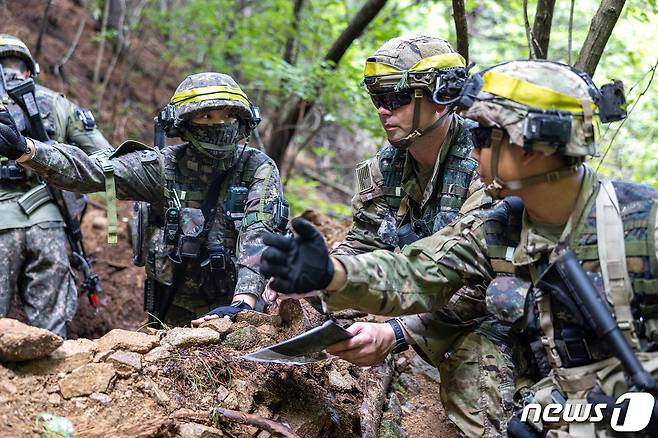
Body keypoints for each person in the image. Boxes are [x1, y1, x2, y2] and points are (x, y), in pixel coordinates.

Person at [260, 60, 649, 437]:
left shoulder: (643, 223)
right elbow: (418, 272)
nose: (472, 147)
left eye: (482, 137)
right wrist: (333, 273)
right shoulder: (501, 224)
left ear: (532, 149)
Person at [321, 34, 515, 436]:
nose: (381, 109)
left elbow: (486, 283)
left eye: (396, 98)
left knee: (477, 382)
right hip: (421, 297)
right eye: (377, 97)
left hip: (493, 317)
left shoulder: (488, 167)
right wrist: (313, 279)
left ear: (441, 97)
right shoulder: (387, 166)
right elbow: (365, 241)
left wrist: (397, 332)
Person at [0, 71, 287, 327]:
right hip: (175, 308)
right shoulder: (163, 168)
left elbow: (259, 232)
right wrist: (26, 149)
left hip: (244, 310)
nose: (219, 124)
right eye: (206, 116)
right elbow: (91, 170)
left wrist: (244, 301)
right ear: (185, 123)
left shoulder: (257, 168)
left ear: (242, 120)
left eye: (228, 115)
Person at [0, 34, 111, 338]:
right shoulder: (57, 103)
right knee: (50, 335)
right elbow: (108, 158)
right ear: (29, 69)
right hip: (48, 221)